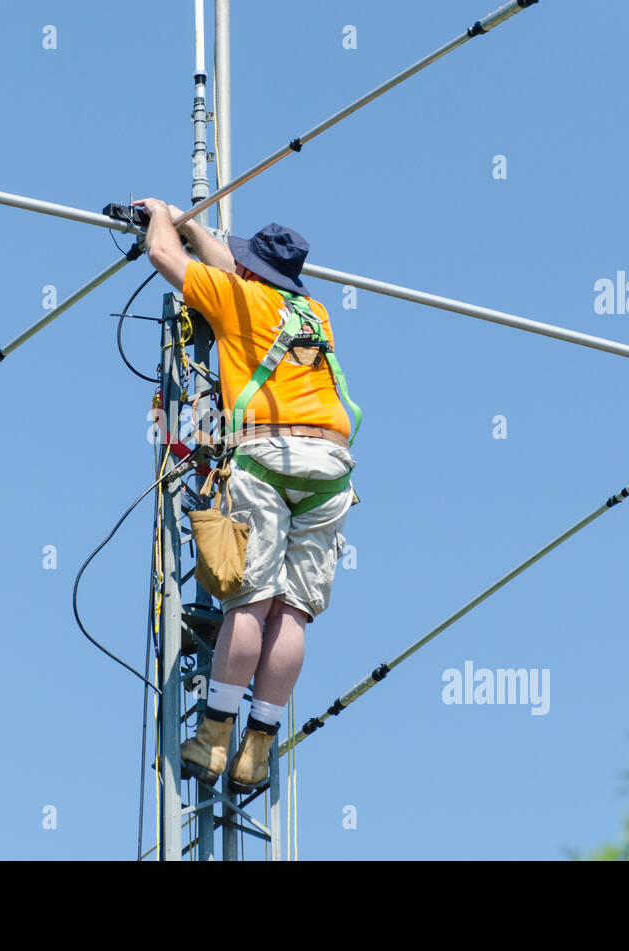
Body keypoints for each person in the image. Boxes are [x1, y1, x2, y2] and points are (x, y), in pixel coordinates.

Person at [132, 198, 361, 792]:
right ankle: (257, 748)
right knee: (293, 611)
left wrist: (160, 215)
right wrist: (191, 222)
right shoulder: (313, 313)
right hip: (331, 469)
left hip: (267, 456)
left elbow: (162, 254)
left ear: (249, 271)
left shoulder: (237, 298)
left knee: (249, 602)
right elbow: (234, 271)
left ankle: (212, 738)